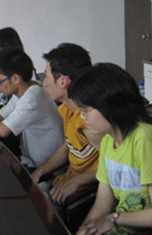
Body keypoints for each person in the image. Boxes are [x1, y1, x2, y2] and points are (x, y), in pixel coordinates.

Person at [69, 63, 152, 234]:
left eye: (86, 111)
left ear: (110, 105)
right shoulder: (108, 140)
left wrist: (114, 218)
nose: (83, 117)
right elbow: (102, 204)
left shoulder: (144, 139)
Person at [32, 43, 99, 210]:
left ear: (62, 81)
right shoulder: (66, 110)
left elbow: (115, 166)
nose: (44, 83)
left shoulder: (90, 121)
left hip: (79, 194)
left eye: (47, 76)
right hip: (61, 183)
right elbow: (67, 147)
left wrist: (77, 181)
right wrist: (39, 172)